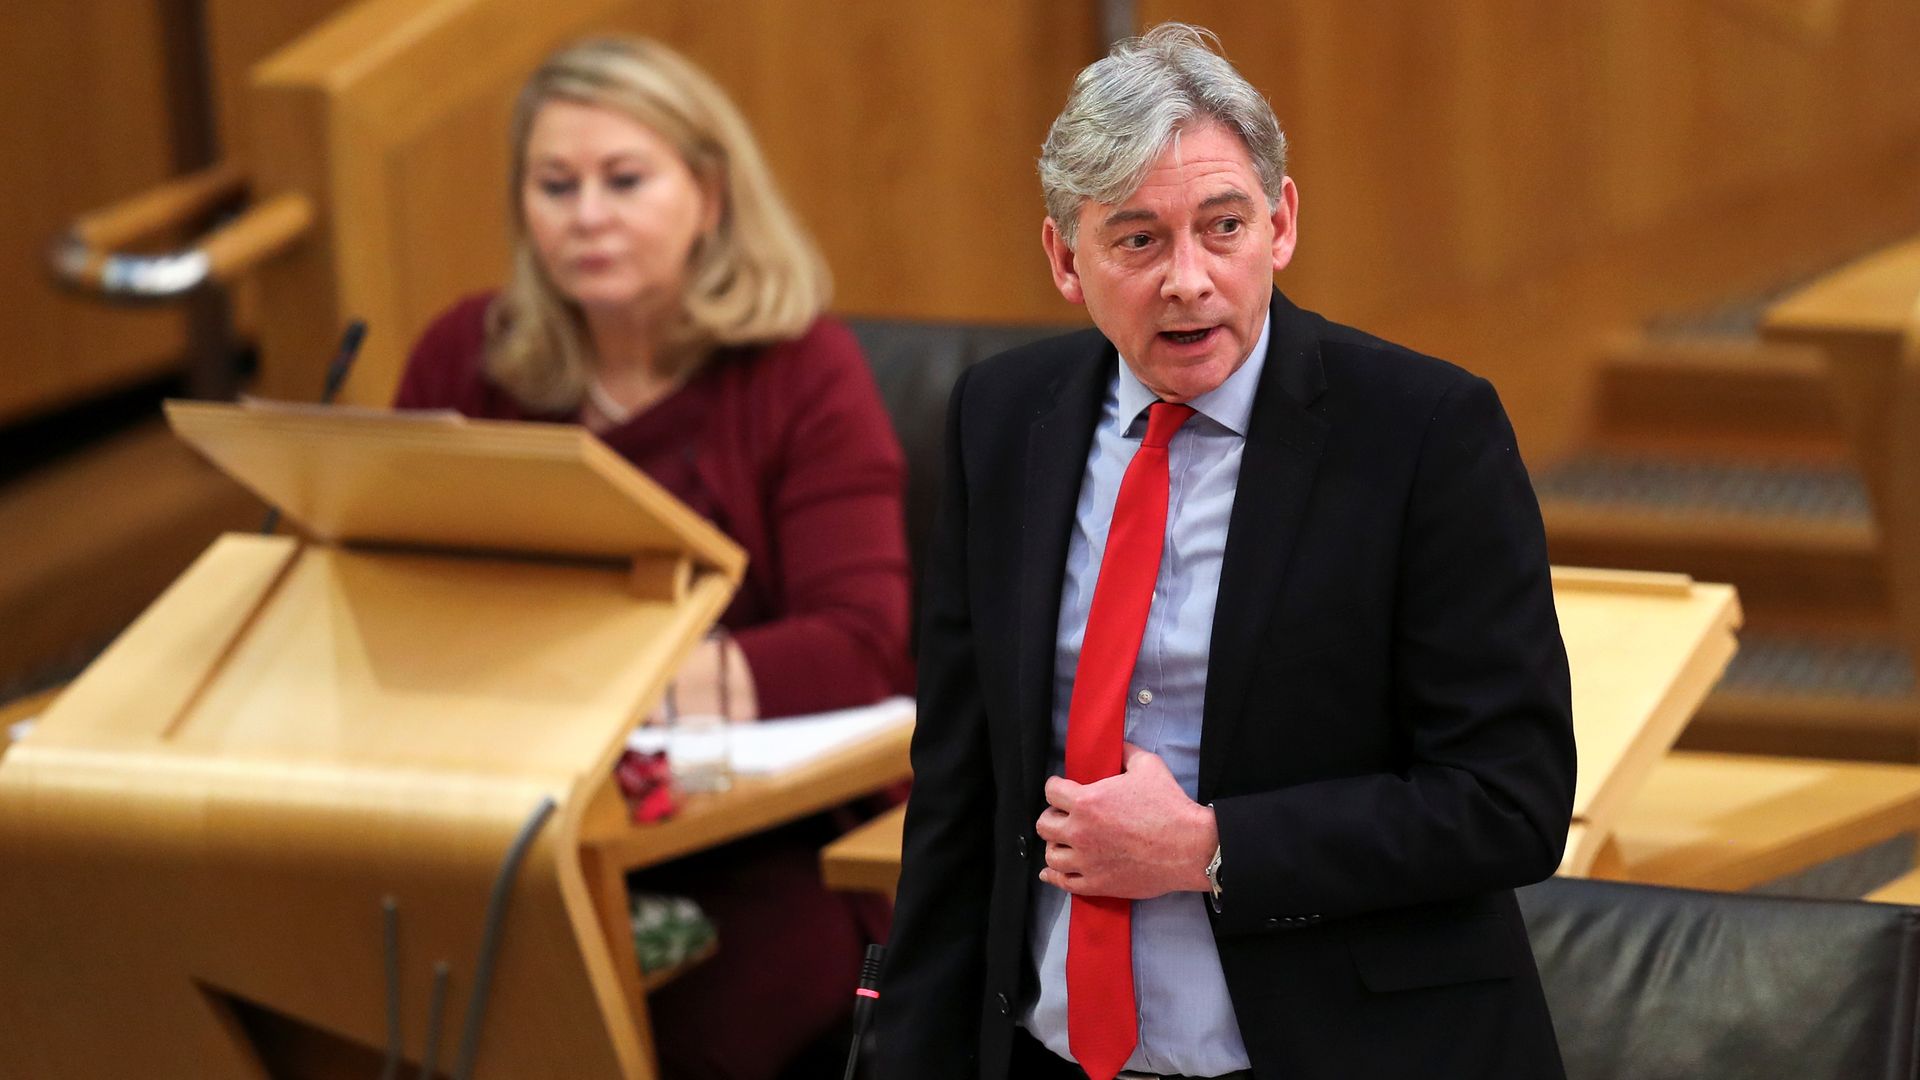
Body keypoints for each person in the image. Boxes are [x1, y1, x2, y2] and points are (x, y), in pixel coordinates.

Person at [876, 23, 1575, 1080]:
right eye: (1139, 240)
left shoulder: (1425, 432)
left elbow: (1510, 801)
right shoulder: (1001, 420)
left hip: (1341, 1049)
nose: (1190, 280)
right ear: (1066, 257)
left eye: (1223, 226)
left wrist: (1212, 849)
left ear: (1281, 224)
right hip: (1050, 1052)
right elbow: (960, 793)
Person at [393, 36, 910, 1079]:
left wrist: (620, 684)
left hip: (749, 840)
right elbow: (392, 588)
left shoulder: (800, 371)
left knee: (727, 1006)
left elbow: (863, 645)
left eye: (623, 180)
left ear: (709, 196)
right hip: (499, 816)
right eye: (555, 185)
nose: (586, 214)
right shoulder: (467, 356)